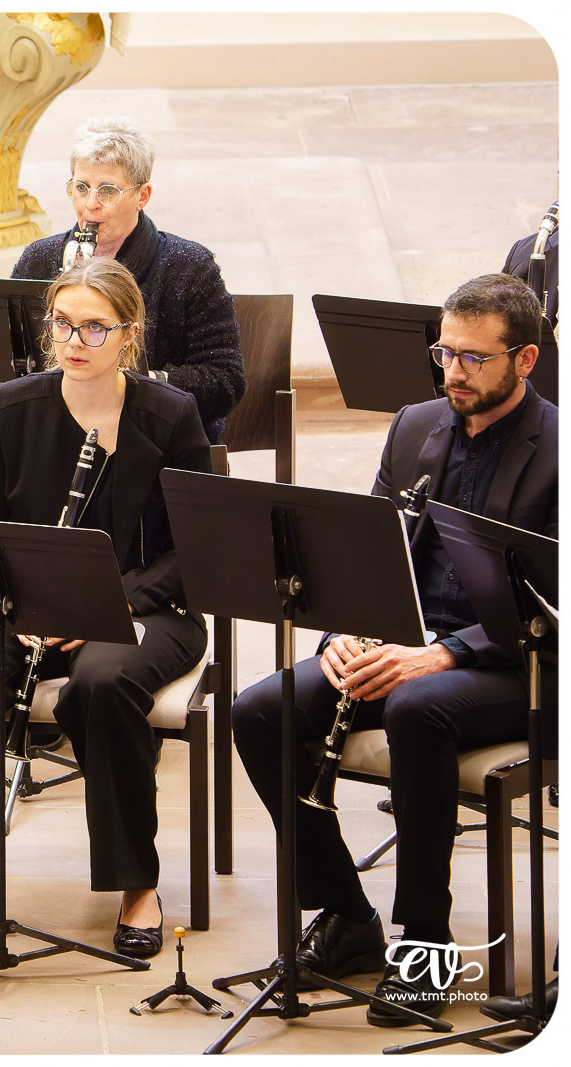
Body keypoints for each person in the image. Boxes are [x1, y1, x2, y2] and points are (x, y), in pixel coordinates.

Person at [231, 273, 558, 1025]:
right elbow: (363, 554)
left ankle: (426, 943)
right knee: (259, 709)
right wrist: (343, 629)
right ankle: (348, 917)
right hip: (401, 644)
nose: (452, 373)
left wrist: (444, 654)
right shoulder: (416, 424)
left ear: (527, 359)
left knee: (416, 707)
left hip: (521, 661)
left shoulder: (558, 448)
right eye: (444, 352)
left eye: (475, 359)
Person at [0, 258, 211, 960]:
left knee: (102, 682)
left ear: (129, 335)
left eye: (94, 326)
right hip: (22, 607)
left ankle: (134, 880)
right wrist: (20, 608)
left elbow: (198, 548)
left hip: (148, 607)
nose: (75, 339)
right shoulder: (12, 407)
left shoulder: (170, 415)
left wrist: (112, 602)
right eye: (63, 323)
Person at [11, 116, 244, 444]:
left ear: (143, 195)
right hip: (53, 436)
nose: (90, 204)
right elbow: (6, 364)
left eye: (107, 190)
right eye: (81, 188)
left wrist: (140, 385)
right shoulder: (40, 259)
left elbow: (226, 381)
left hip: (159, 442)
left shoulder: (190, 267)